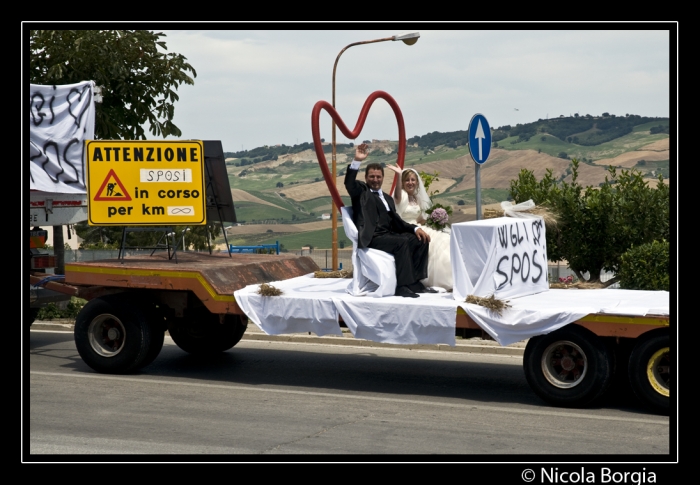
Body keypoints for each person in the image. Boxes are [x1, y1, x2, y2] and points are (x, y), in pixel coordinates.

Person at [344, 143, 436, 298]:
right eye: (371, 177)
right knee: (401, 243)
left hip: (389, 234)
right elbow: (349, 183)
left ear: (382, 178)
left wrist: (415, 229)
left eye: (378, 177)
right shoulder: (361, 192)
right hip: (373, 237)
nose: (375, 179)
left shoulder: (387, 197)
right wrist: (357, 161)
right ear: (366, 178)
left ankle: (414, 281)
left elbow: (397, 221)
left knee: (420, 240)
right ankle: (402, 286)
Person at [386, 164, 453, 291]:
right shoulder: (402, 196)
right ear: (402, 182)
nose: (410, 182)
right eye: (407, 180)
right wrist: (399, 174)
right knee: (434, 242)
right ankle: (439, 280)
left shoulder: (416, 198)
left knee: (445, 238)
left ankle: (451, 277)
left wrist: (435, 219)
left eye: (412, 180)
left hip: (418, 226)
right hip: (405, 228)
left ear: (417, 182)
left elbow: (419, 219)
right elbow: (397, 198)